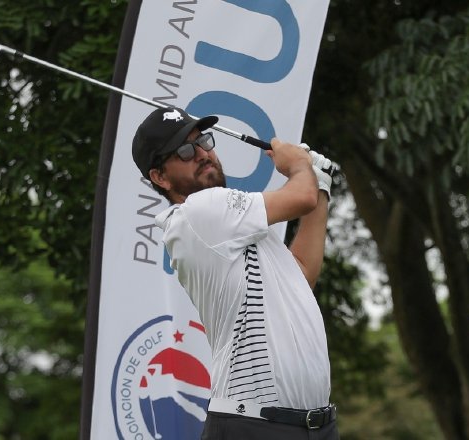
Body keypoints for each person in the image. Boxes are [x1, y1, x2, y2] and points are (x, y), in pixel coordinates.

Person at [131, 107, 338, 440]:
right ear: (160, 177)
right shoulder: (199, 212)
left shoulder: (238, 225)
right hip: (255, 426)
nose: (201, 154)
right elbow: (302, 195)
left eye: (204, 142)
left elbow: (302, 273)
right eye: (184, 151)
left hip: (311, 427)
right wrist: (299, 164)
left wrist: (321, 184)